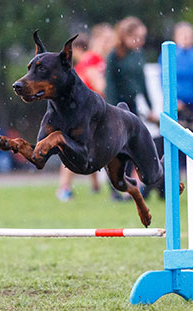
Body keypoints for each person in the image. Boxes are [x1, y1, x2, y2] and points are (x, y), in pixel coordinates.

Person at [56, 24, 115, 202]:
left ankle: (95, 187)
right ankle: (63, 189)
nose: (109, 44)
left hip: (88, 112)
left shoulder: (99, 60)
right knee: (73, 150)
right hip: (81, 113)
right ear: (96, 40)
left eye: (110, 40)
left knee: (90, 149)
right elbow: (99, 86)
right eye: (106, 40)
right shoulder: (93, 60)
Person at [105, 17, 152, 201]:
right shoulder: (114, 56)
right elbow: (110, 85)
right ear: (125, 35)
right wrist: (114, 110)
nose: (140, 41)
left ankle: (133, 185)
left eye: (143, 37)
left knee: (134, 146)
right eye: (137, 37)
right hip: (117, 107)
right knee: (117, 148)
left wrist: (150, 107)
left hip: (132, 106)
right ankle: (114, 189)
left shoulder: (139, 55)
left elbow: (143, 83)